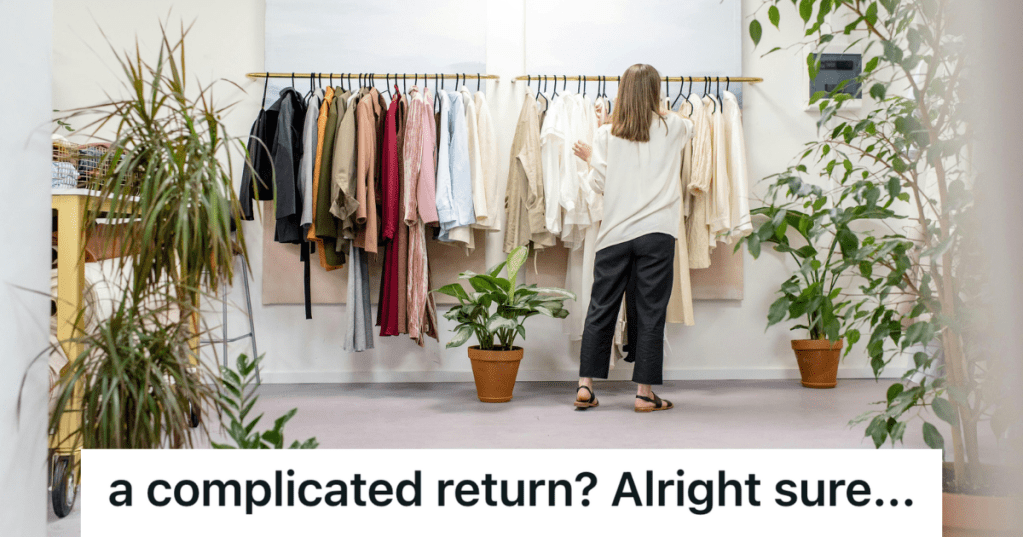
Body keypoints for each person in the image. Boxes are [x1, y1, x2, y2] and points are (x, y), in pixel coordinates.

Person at [571, 64, 692, 412]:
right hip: (657, 233)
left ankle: (585, 386)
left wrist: (593, 159)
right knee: (650, 312)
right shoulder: (674, 127)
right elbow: (691, 128)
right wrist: (662, 110)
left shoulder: (606, 135)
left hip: (614, 234)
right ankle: (643, 394)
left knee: (600, 308)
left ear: (621, 92)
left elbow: (599, 184)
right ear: (656, 92)